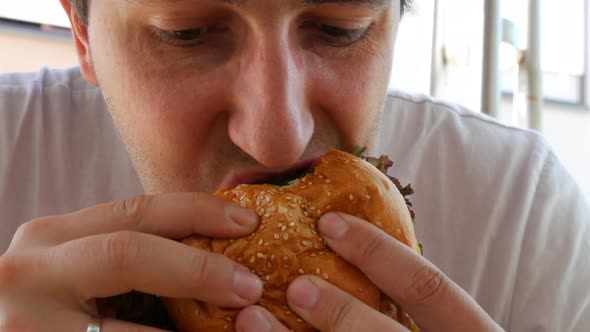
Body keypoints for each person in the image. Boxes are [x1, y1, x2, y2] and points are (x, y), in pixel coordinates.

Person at [0, 0, 588, 331]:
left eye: (341, 29)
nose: (278, 140)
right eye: (187, 34)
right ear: (82, 33)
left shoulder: (521, 215)